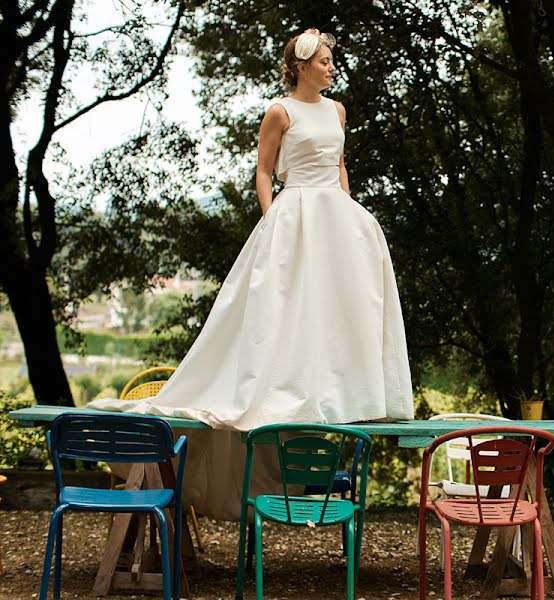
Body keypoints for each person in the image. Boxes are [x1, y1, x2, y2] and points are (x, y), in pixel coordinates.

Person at [89, 29, 414, 518]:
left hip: (336, 214)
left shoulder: (338, 110)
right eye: (323, 61)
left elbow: (340, 164)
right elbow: (264, 171)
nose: (331, 67)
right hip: (295, 211)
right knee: (288, 304)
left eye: (331, 60)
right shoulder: (280, 112)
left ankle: (347, 393)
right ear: (301, 66)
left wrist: (348, 210)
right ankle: (283, 390)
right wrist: (272, 219)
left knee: (345, 304)